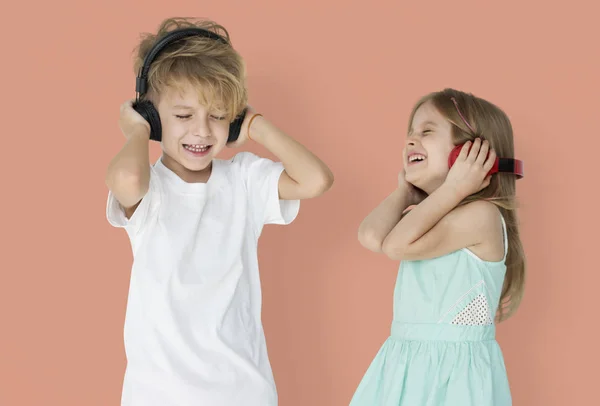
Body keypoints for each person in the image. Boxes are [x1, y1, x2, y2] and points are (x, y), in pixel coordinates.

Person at [104, 17, 334, 406]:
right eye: (182, 116)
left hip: (242, 390)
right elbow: (125, 179)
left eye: (217, 115)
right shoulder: (150, 187)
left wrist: (257, 126)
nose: (202, 131)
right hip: (158, 394)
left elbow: (317, 180)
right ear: (154, 116)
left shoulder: (243, 179)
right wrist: (137, 132)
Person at [349, 88, 525, 406]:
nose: (410, 140)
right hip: (405, 363)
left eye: (426, 131)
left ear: (469, 155)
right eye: (410, 133)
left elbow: (396, 247)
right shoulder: (434, 216)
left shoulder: (481, 216)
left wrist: (456, 187)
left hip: (453, 375)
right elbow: (371, 237)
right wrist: (405, 191)